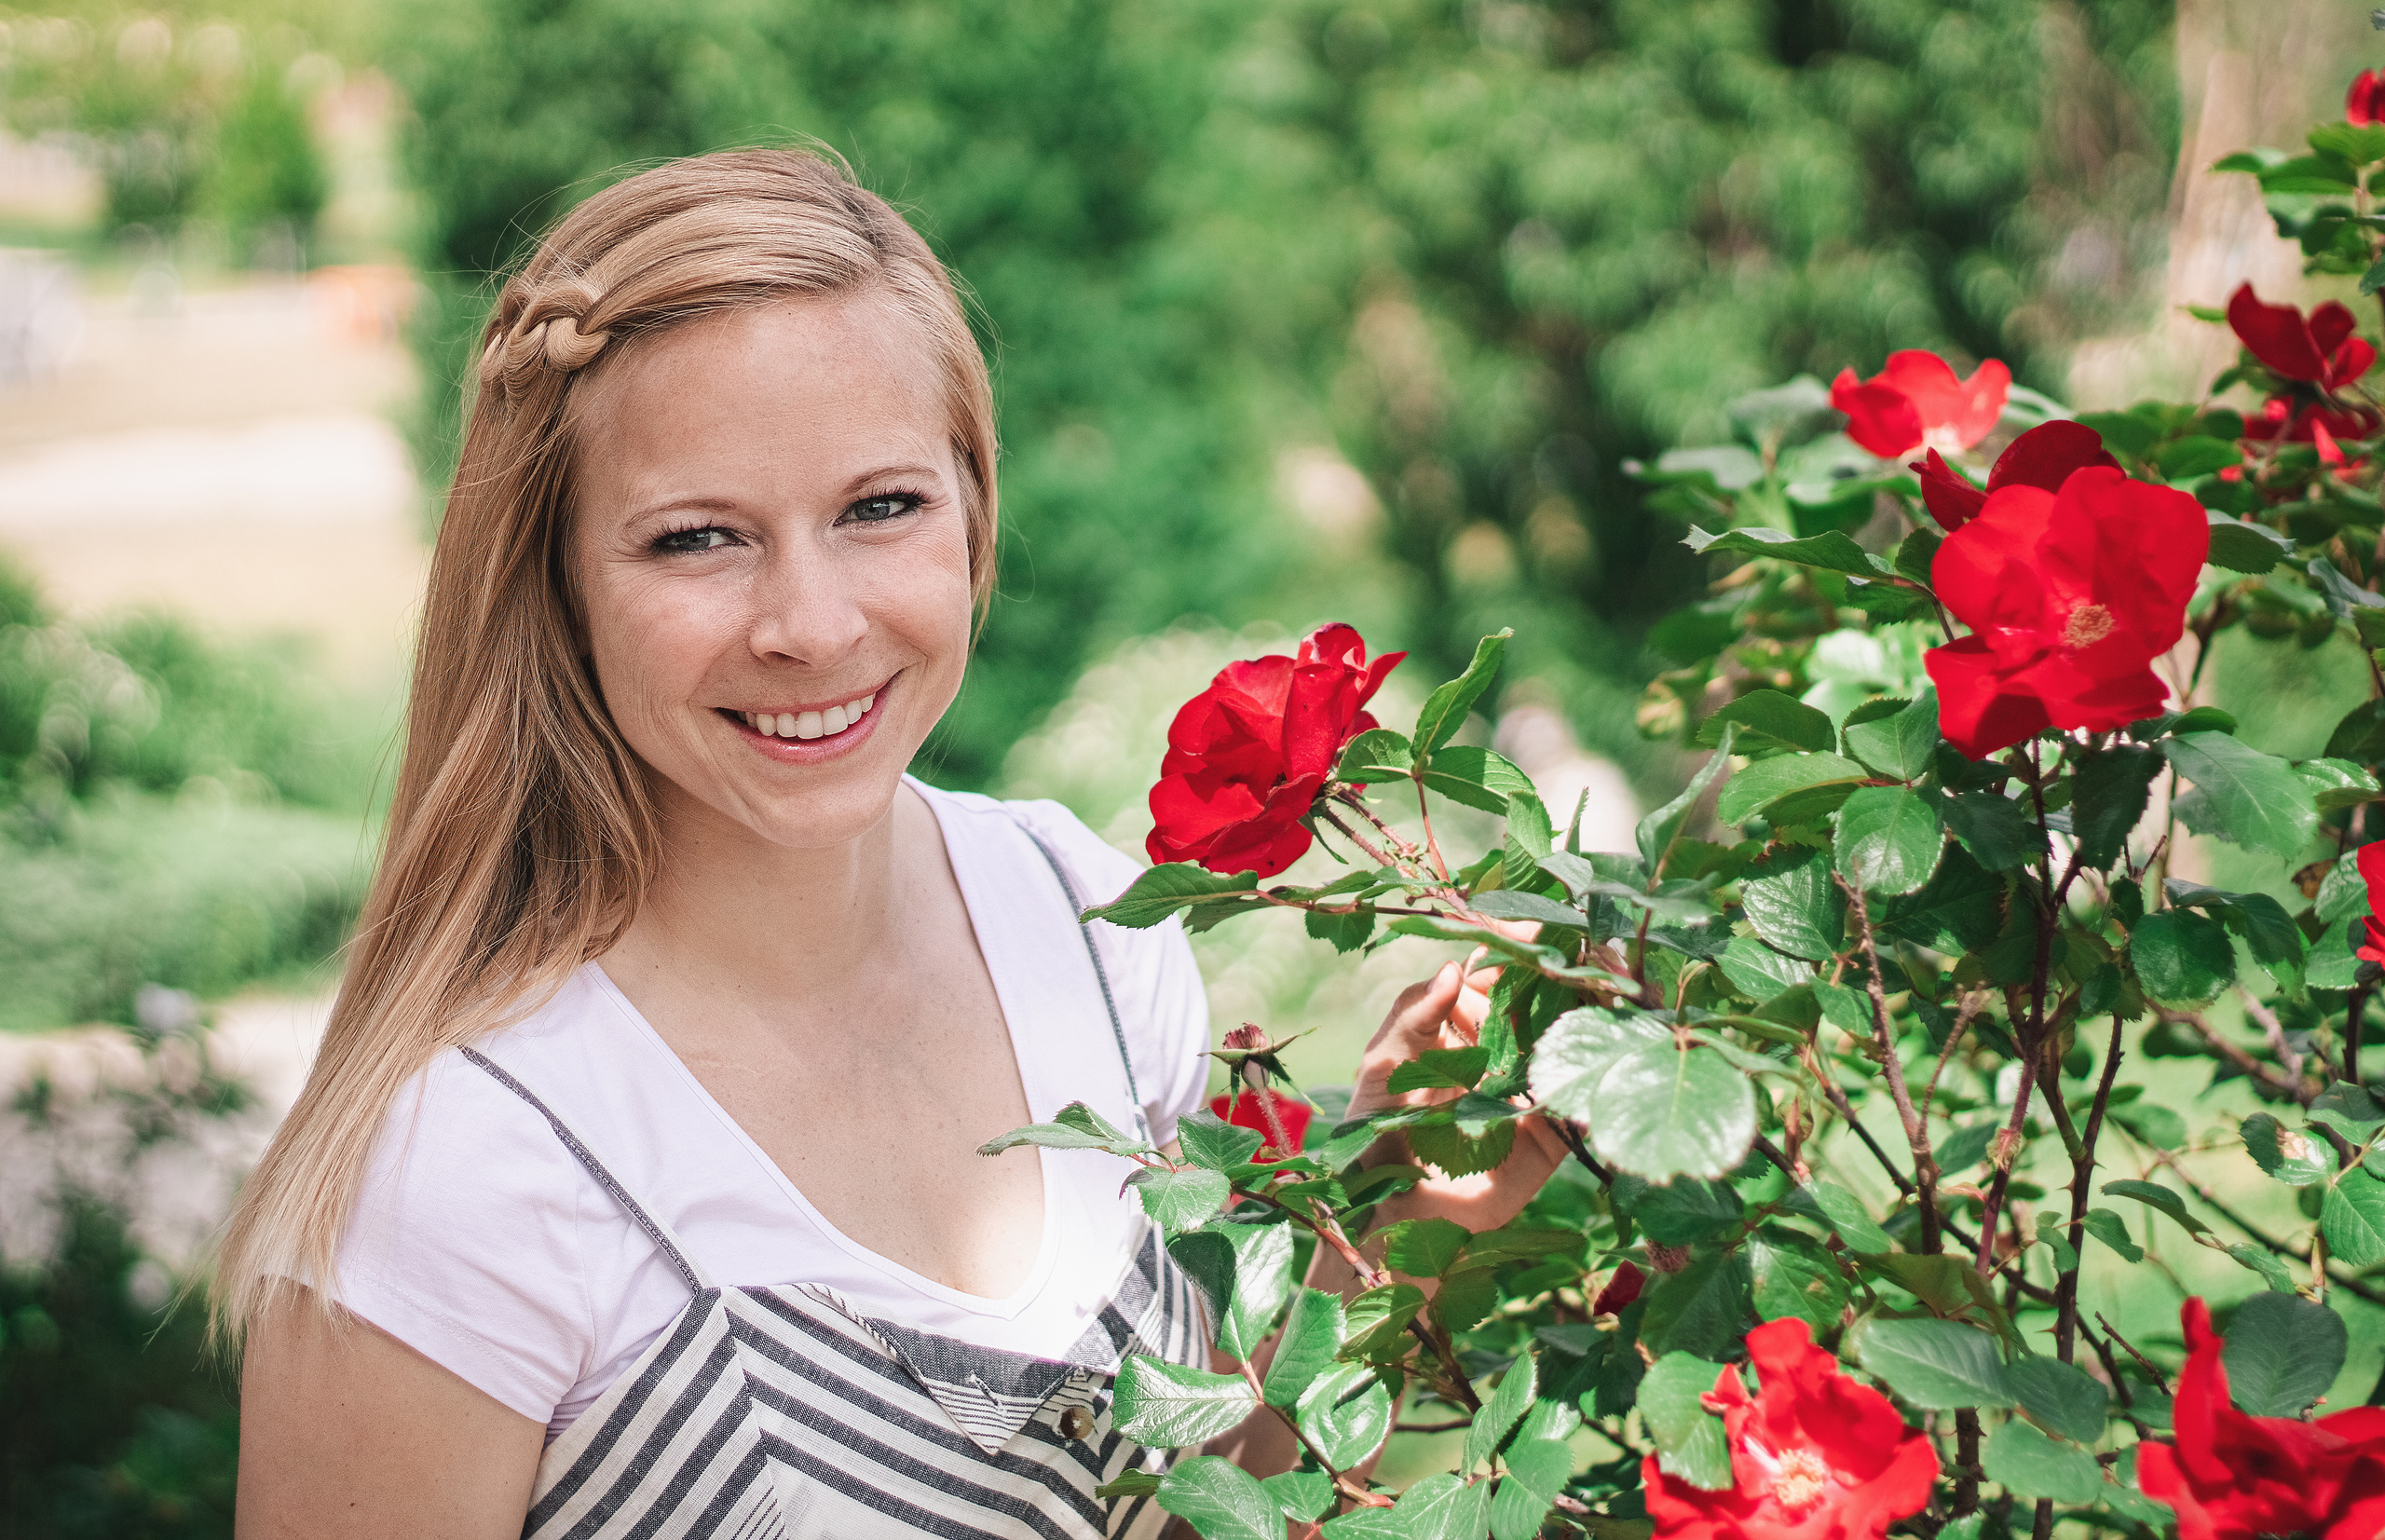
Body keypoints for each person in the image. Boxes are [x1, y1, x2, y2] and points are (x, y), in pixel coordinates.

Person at [221, 149, 1567, 1539]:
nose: (811, 626)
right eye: (696, 539)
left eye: (879, 508)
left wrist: (1395, 1215)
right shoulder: (468, 1157)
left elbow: (1192, 1512)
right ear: (554, 583)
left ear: (974, 510)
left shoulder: (1089, 923)